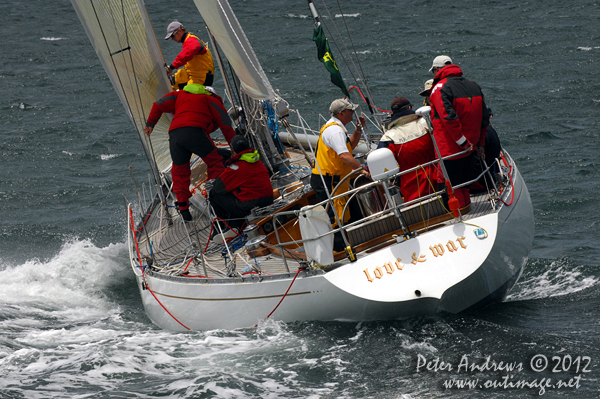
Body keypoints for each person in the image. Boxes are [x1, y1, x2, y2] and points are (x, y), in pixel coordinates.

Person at [144, 84, 236, 221]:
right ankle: (217, 196)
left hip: (175, 135)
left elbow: (158, 104)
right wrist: (233, 146)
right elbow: (225, 123)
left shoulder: (180, 94)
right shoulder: (211, 99)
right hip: (195, 132)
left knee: (179, 171)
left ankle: (184, 210)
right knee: (215, 162)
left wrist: (150, 124)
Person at [428, 55, 490, 208]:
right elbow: (484, 118)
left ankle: (461, 219)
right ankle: (468, 211)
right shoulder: (474, 85)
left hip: (450, 151)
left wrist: (462, 142)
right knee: (464, 187)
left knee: (451, 189)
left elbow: (448, 118)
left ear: (437, 70)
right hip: (471, 149)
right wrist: (479, 145)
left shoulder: (439, 88)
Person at [310, 99, 366, 228]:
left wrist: (358, 130)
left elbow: (349, 146)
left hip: (334, 179)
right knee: (336, 217)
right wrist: (361, 170)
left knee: (343, 211)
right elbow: (344, 155)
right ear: (341, 113)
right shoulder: (335, 130)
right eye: (350, 110)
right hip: (328, 180)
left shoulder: (336, 128)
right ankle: (340, 247)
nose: (353, 112)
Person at [208, 135, 274, 242]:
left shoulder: (236, 167)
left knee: (214, 194)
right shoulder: (258, 162)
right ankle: (235, 224)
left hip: (249, 207)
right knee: (238, 194)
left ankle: (224, 227)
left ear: (233, 150)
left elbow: (218, 187)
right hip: (268, 201)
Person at [377, 97, 437, 202]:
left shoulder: (388, 136)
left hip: (411, 190)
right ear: (409, 107)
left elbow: (378, 160)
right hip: (436, 181)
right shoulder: (426, 122)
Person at [164, 21, 215, 88]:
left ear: (179, 31)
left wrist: (172, 67)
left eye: (173, 36)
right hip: (192, 73)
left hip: (202, 77)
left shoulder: (191, 40)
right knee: (171, 82)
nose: (172, 39)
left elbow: (186, 54)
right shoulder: (188, 40)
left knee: (187, 95)